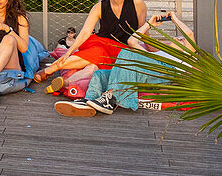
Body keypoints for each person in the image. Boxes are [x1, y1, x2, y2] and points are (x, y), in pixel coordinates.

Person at [56, 11, 196, 117]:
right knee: (100, 74)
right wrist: (149, 23)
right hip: (145, 71)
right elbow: (132, 41)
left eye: (181, 40)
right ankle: (88, 101)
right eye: (177, 37)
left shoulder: (184, 55)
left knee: (127, 54)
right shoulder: (157, 53)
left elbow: (189, 34)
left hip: (164, 74)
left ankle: (111, 98)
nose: (178, 38)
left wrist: (173, 18)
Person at [33, 0, 147, 88]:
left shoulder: (137, 3)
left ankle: (64, 82)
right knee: (98, 53)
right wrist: (69, 52)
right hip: (101, 43)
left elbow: (143, 31)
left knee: (93, 67)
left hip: (123, 49)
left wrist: (152, 52)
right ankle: (50, 70)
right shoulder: (99, 7)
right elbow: (85, 32)